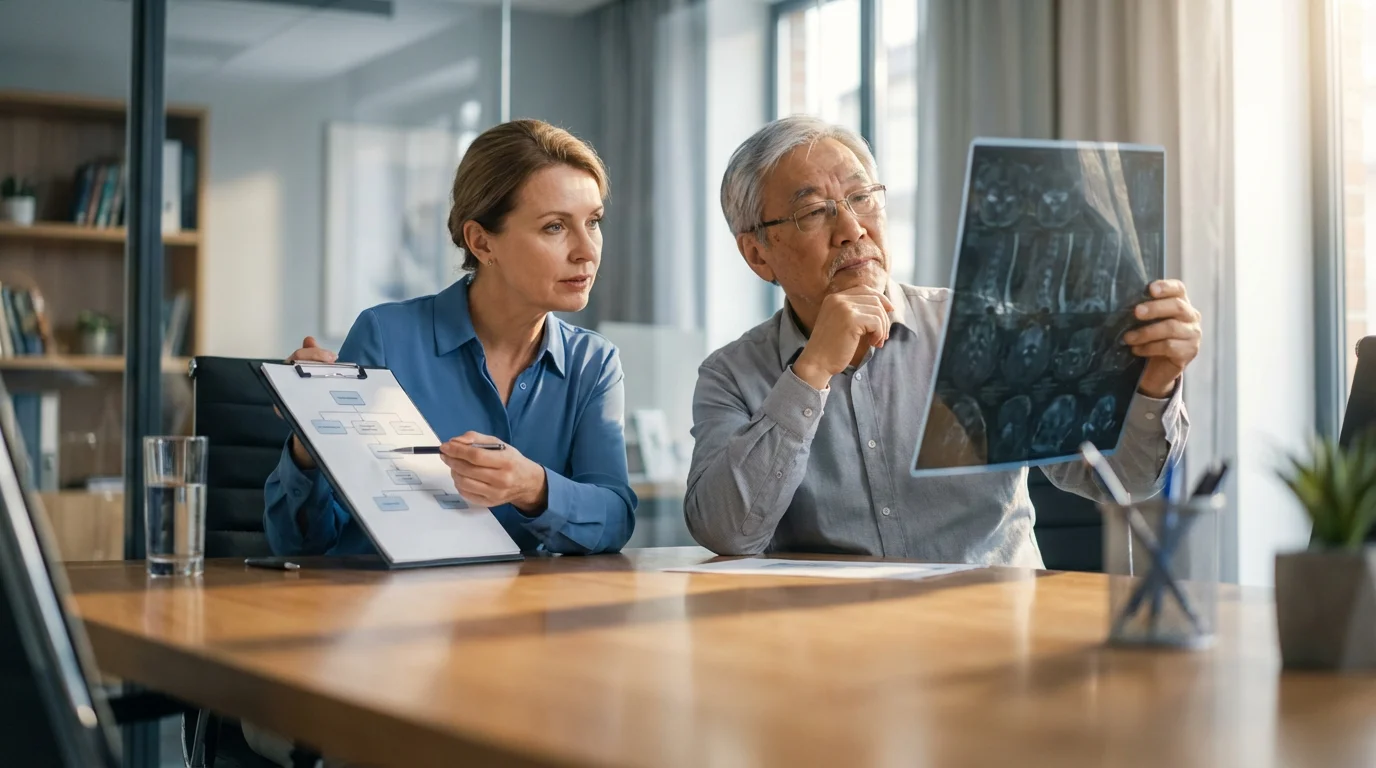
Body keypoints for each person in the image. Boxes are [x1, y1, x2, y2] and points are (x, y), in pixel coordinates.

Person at [685, 116, 1199, 566]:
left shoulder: (983, 325)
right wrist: (811, 370)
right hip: (836, 649)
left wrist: (1156, 382)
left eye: (862, 197)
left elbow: (1127, 478)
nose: (851, 229)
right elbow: (729, 534)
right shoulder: (730, 376)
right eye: (814, 211)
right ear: (757, 255)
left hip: (999, 636)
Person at [263, 119, 636, 557]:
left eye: (593, 222)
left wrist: (532, 486)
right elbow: (301, 543)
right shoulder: (385, 338)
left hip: (518, 614)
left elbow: (615, 519)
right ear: (481, 242)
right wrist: (310, 443)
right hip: (386, 612)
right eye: (555, 226)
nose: (587, 250)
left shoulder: (594, 363)